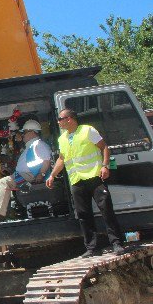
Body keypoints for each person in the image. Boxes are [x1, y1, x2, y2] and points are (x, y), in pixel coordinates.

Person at [46, 109, 125, 257]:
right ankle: (91, 248)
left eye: (60, 119)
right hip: (77, 180)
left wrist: (105, 165)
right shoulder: (62, 138)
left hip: (94, 177)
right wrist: (52, 175)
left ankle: (117, 243)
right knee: (83, 214)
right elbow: (62, 159)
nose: (58, 122)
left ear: (69, 119)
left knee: (106, 210)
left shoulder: (87, 130)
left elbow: (104, 147)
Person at [0, 120, 52, 221]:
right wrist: (9, 170)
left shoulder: (39, 144)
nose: (23, 135)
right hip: (24, 175)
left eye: (24, 132)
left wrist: (41, 174)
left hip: (30, 176)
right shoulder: (30, 146)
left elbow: (46, 160)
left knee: (2, 183)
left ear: (32, 132)